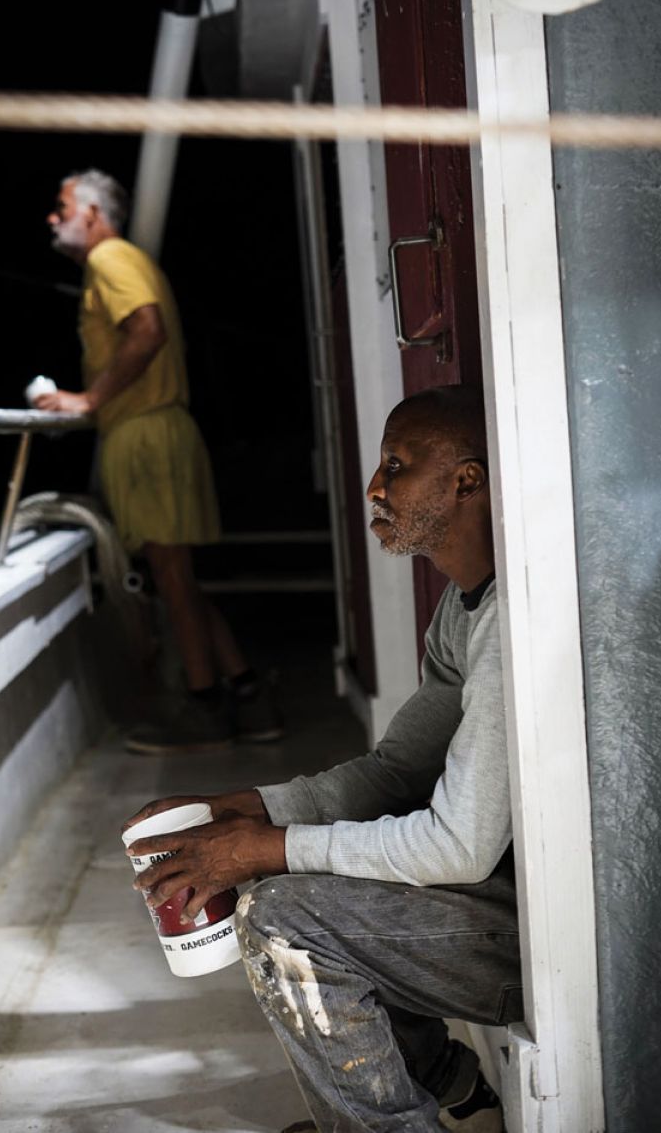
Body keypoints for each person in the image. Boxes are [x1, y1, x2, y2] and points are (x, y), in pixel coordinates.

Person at [122, 386, 522, 1132]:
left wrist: (267, 850)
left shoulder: (512, 624)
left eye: (397, 465)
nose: (375, 486)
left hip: (545, 947)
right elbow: (396, 771)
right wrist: (252, 810)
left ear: (465, 480)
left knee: (283, 914)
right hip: (498, 910)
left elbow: (460, 846)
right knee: (300, 865)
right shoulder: (464, 607)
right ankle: (452, 1088)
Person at [37, 168, 281, 751]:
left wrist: (90, 398)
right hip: (163, 430)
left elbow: (146, 332)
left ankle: (202, 711)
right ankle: (247, 696)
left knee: (170, 577)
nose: (55, 216)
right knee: (179, 579)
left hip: (145, 435)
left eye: (63, 206)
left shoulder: (110, 260)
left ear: (93, 215)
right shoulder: (127, 261)